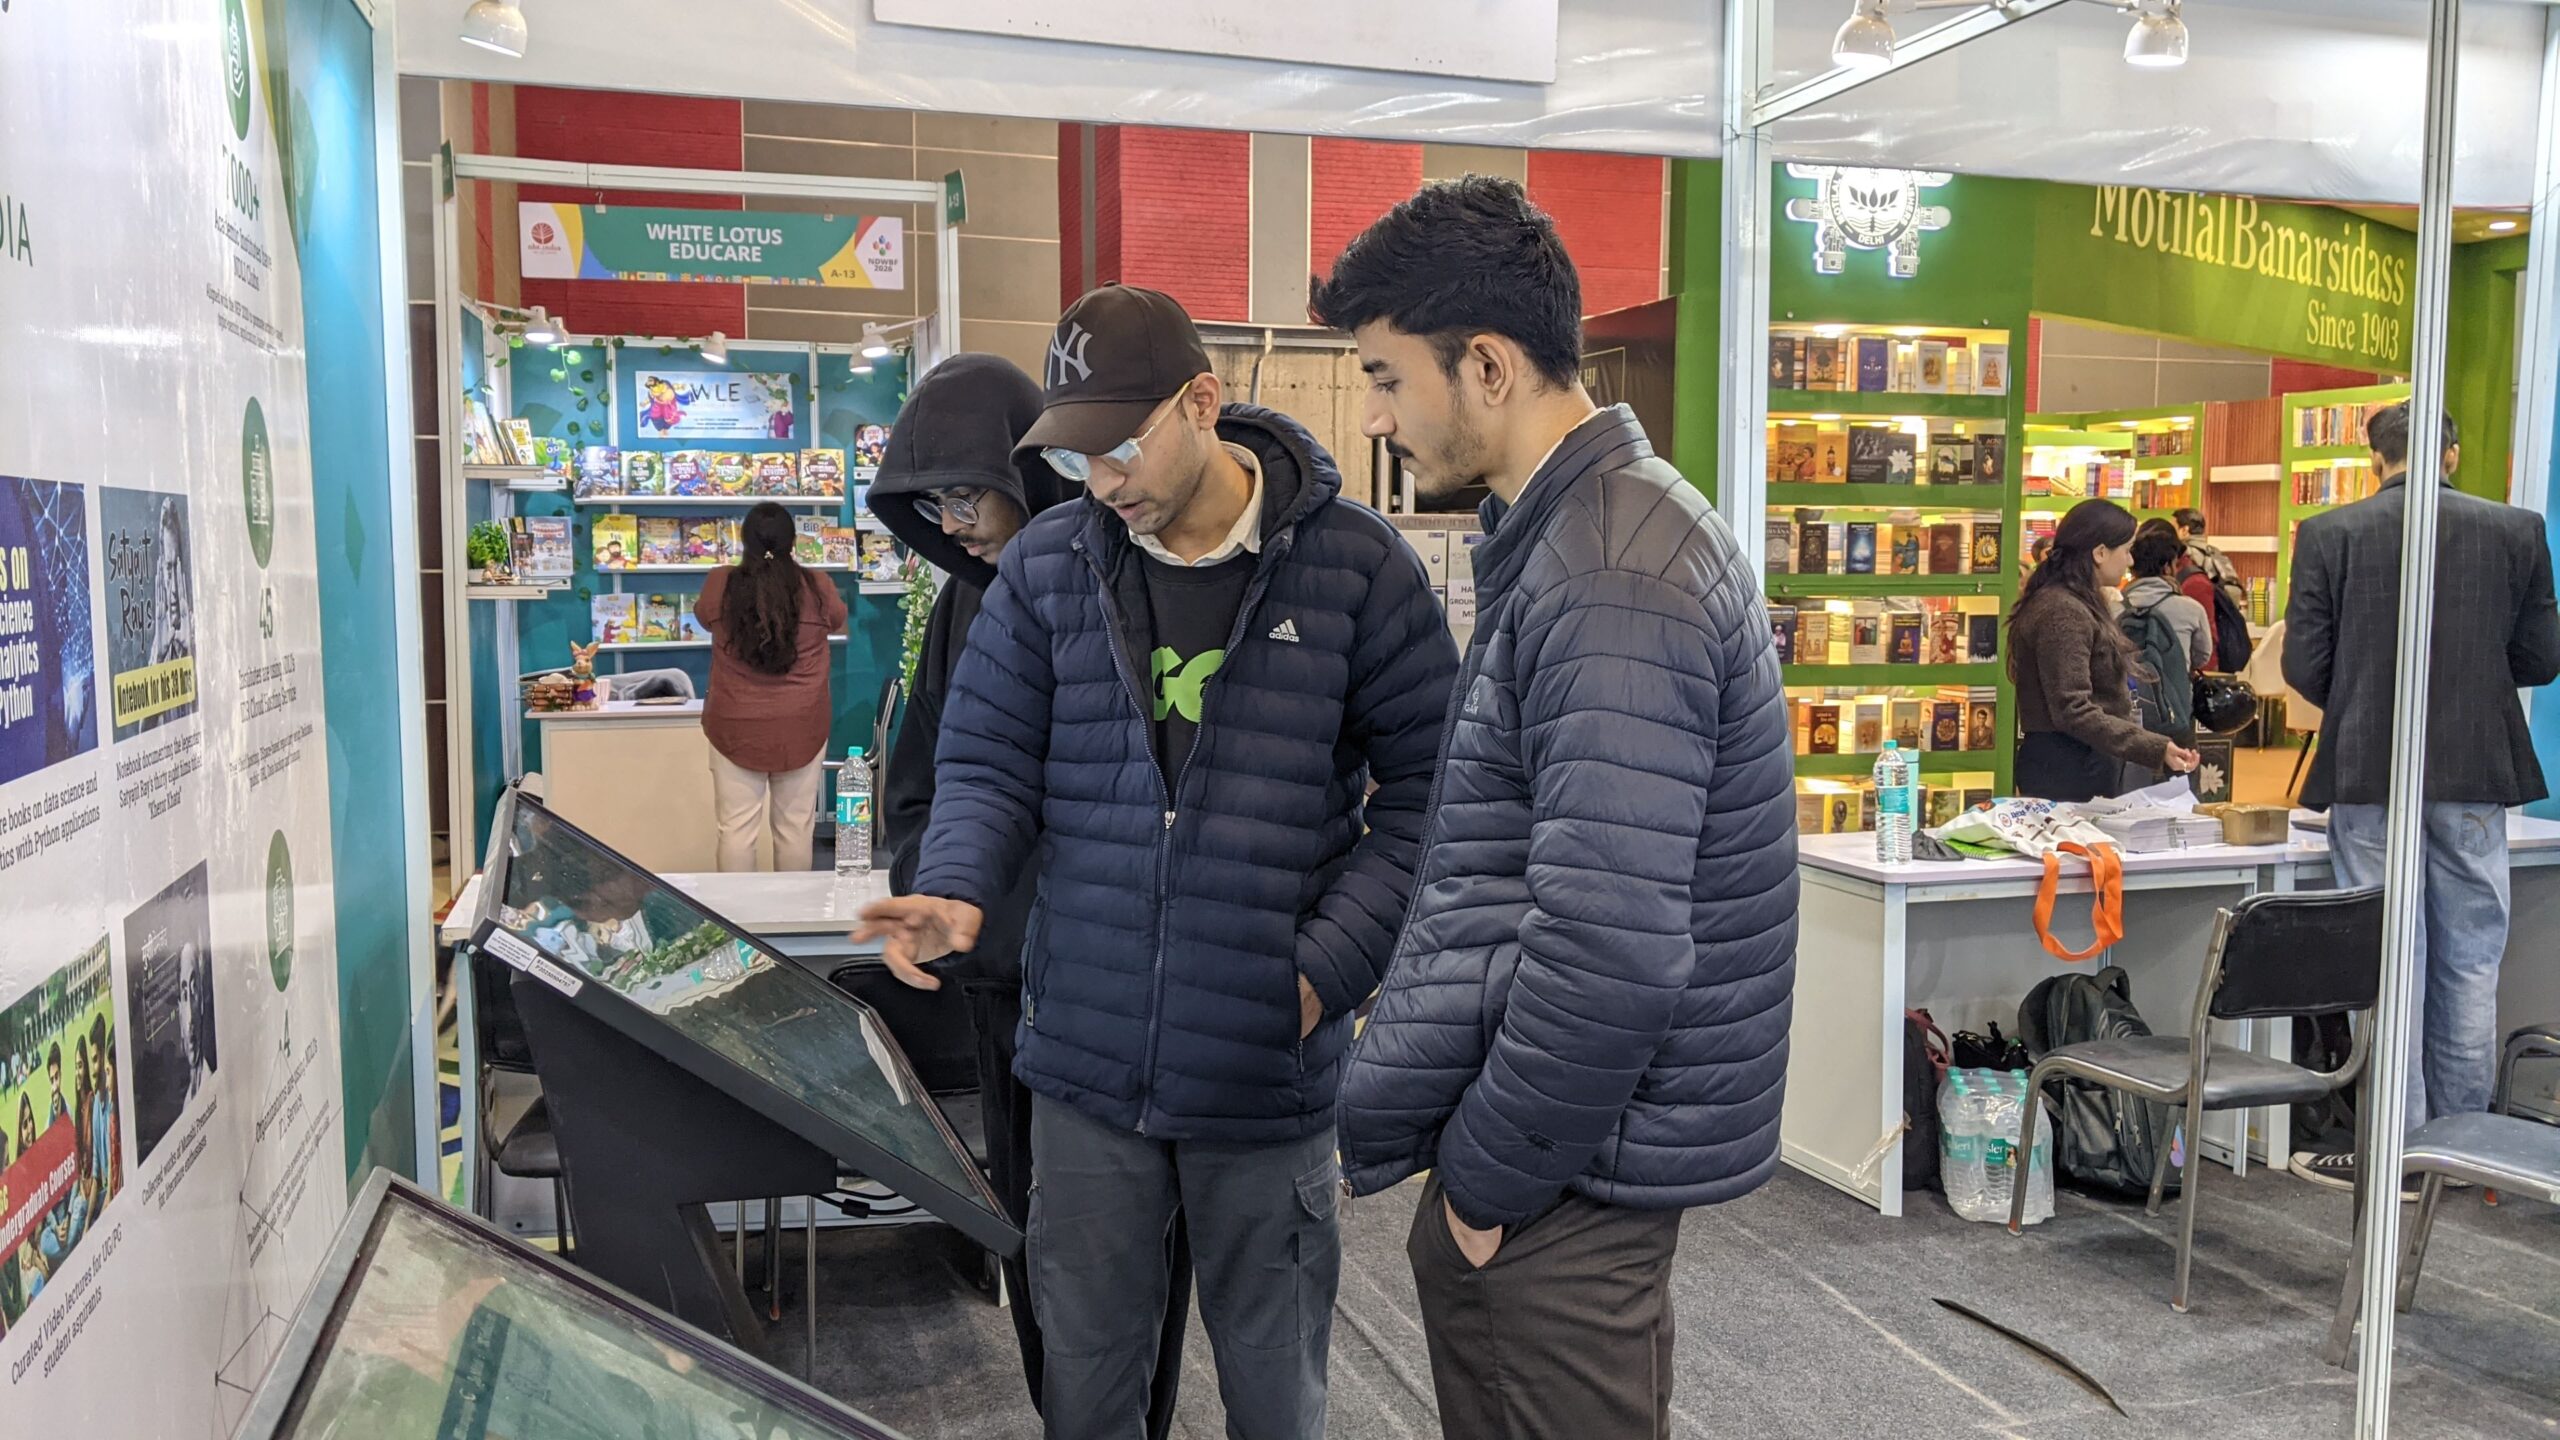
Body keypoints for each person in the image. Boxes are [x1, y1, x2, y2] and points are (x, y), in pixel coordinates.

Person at [856, 284, 1458, 1440]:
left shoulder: (1355, 568)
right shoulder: (1047, 570)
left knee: (1273, 1395)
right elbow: (984, 763)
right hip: (1085, 1067)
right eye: (1076, 455)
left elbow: (1436, 795)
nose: (1103, 480)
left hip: (1263, 1070)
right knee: (1087, 1390)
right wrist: (955, 885)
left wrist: (1327, 967)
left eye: (1122, 445)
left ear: (1201, 401)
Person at [1318, 176, 1799, 1440]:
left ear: (1485, 365)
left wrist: (1485, 1187)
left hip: (1561, 1181)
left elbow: (1612, 948)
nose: (1375, 416)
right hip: (1573, 1161)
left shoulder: (1609, 570)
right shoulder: (1590, 535)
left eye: (1385, 377)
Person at [866, 353, 1193, 1438]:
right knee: (1033, 1240)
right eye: (934, 505)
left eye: (969, 493)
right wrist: (948, 904)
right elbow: (923, 790)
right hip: (1007, 991)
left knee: (1137, 1257)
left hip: (1123, 994)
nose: (954, 525)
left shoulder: (1136, 591)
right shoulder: (964, 607)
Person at [2282, 403, 2560, 1193]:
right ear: (2453, 453)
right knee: (2470, 961)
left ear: (2376, 459)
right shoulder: (2516, 529)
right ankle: (2463, 1152)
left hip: (2367, 769)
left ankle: (2397, 1150)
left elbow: (2304, 665)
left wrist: (2365, 695)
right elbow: (2541, 656)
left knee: (2385, 960)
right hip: (2475, 767)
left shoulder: (2330, 532)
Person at [2009, 498, 2199, 801]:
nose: (2130, 561)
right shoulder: (2063, 611)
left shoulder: (2072, 602)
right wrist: (2152, 746)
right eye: (2126, 550)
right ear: (2099, 553)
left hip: (2078, 763)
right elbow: (2073, 708)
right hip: (2070, 769)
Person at [694, 501, 849, 872]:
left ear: (743, 540)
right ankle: (792, 908)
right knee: (795, 830)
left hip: (735, 724)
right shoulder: (817, 585)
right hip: (801, 724)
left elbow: (702, 617)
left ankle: (736, 910)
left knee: (735, 830)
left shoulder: (721, 583)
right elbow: (838, 619)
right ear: (792, 541)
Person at [2121, 524, 2213, 746]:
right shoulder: (2190, 608)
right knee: (2182, 764)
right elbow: (2203, 656)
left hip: (2124, 717)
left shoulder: (2114, 608)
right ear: (2167, 567)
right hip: (2176, 711)